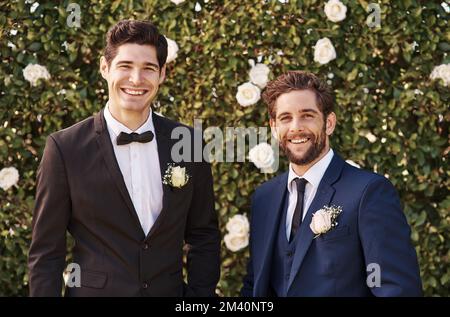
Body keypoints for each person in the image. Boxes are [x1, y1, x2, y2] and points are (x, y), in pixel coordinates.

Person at [28, 19, 220, 297]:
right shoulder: (64, 148)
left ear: (162, 74)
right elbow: (46, 253)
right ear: (105, 68)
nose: (136, 79)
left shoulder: (188, 142)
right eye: (125, 66)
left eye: (148, 69)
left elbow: (203, 234)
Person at [241, 71, 422, 296]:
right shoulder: (264, 198)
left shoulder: (369, 192)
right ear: (274, 127)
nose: (296, 127)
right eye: (285, 118)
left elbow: (395, 288)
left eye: (307, 115)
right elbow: (254, 286)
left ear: (329, 123)